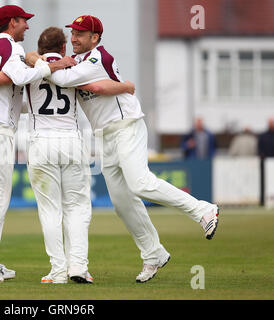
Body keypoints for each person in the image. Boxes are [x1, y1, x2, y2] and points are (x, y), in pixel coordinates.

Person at [27, 15, 219, 283]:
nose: (74, 39)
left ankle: (203, 210)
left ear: (95, 38)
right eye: (72, 33)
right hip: (105, 135)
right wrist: (123, 85)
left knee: (139, 183)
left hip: (126, 126)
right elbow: (72, 78)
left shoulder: (97, 58)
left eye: (80, 34)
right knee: (121, 201)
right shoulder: (78, 59)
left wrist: (40, 62)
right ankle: (153, 253)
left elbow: (63, 79)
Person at [0, 28, 135, 284]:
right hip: (71, 141)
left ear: (40, 49)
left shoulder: (31, 71)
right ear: (63, 48)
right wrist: (126, 86)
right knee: (76, 207)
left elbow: (19, 94)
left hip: (40, 144)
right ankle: (78, 267)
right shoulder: (73, 68)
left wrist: (33, 59)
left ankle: (56, 271)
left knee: (49, 210)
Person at [0, 4, 79, 283]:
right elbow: (21, 76)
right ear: (12, 23)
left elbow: (1, 83)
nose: (27, 25)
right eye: (24, 21)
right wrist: (52, 66)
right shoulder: (10, 47)